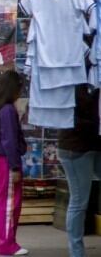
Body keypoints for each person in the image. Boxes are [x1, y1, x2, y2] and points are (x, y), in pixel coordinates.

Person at [0, 70, 28, 256]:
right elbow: (9, 140)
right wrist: (15, 166)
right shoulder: (8, 110)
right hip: (7, 161)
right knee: (10, 203)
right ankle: (7, 244)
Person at [57, 84, 101, 257]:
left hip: (85, 146)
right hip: (76, 147)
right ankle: (76, 252)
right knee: (78, 201)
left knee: (78, 201)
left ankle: (77, 251)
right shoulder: (74, 85)